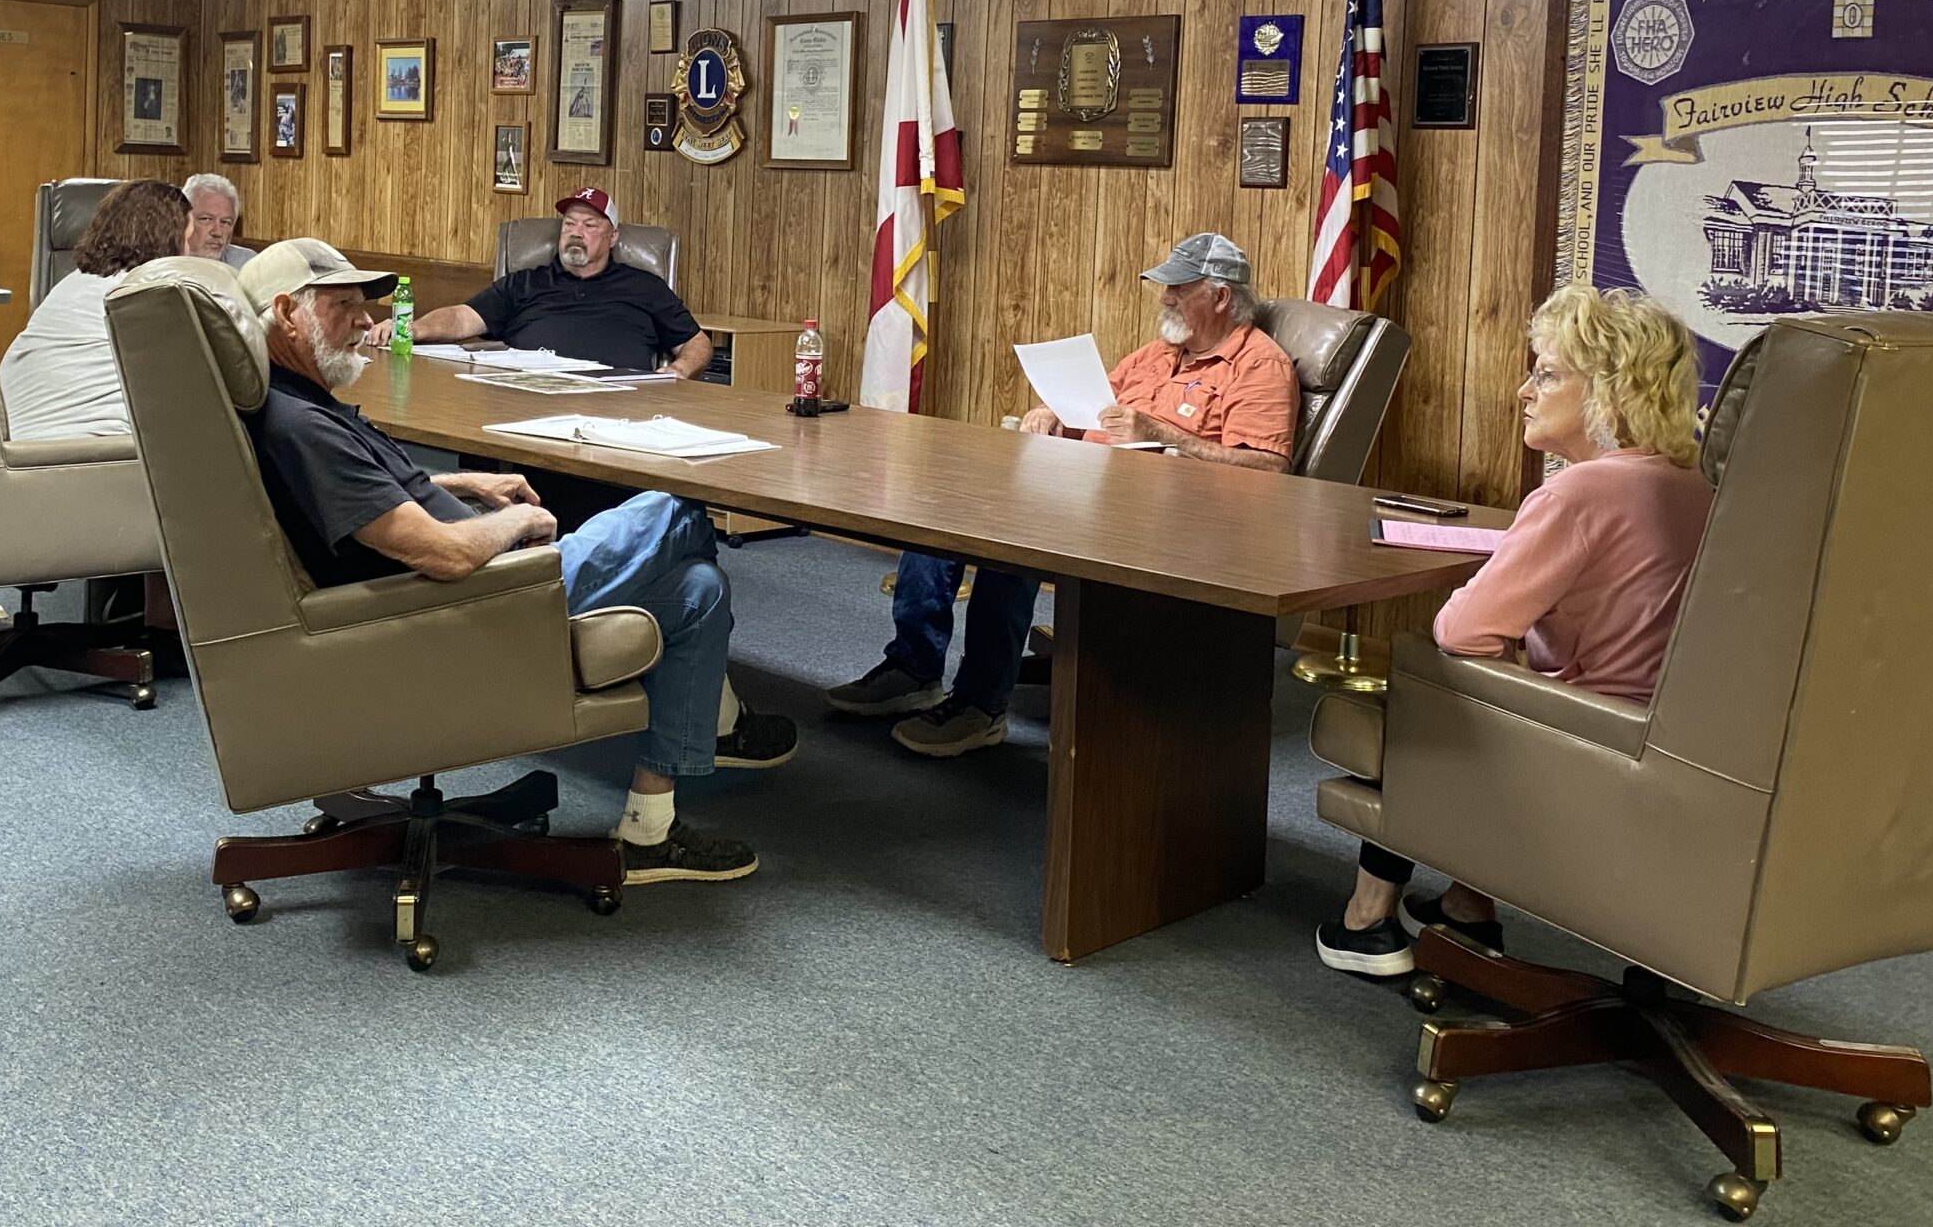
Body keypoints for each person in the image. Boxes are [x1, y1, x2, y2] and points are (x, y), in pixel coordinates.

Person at [236, 237, 797, 884]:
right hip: (467, 608)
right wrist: (520, 523)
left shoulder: (298, 405)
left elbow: (366, 500)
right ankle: (721, 722)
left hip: (466, 589)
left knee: (698, 590)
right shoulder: (302, 427)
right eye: (344, 307)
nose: (366, 321)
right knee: (675, 510)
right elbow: (444, 554)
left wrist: (465, 482)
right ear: (287, 313)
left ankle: (650, 828)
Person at [1313, 285, 1712, 978]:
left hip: (1579, 745)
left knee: (1428, 675)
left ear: (1612, 391)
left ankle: (1367, 920)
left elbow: (1462, 630)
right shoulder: (1698, 484)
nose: (1524, 391)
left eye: (1547, 374)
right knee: (1500, 676)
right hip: (1669, 744)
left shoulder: (1578, 493)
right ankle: (1467, 908)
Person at [829, 232, 1297, 757]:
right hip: (1084, 486)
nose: (1165, 298)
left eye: (1179, 288)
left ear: (1221, 296)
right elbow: (1093, 409)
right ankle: (914, 668)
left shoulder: (1259, 365)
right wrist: (1052, 414)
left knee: (1014, 542)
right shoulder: (1157, 354)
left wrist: (1166, 435)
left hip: (1166, 515)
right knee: (943, 504)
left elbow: (1269, 468)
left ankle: (981, 705)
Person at [382, 186, 711, 377]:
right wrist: (411, 328)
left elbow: (696, 342)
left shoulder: (644, 287)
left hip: (617, 406)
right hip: (530, 397)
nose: (576, 233)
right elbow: (462, 317)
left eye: (589, 225)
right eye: (569, 224)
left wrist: (679, 371)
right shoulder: (526, 283)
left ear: (612, 237)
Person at [0, 179, 190, 441]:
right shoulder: (146, 294)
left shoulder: (71, 284)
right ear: (168, 240)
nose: (189, 252)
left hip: (11, 448)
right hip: (87, 452)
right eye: (187, 240)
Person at [183, 174, 256, 269]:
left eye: (225, 222)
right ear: (182, 220)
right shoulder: (165, 263)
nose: (217, 232)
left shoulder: (247, 264)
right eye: (206, 219)